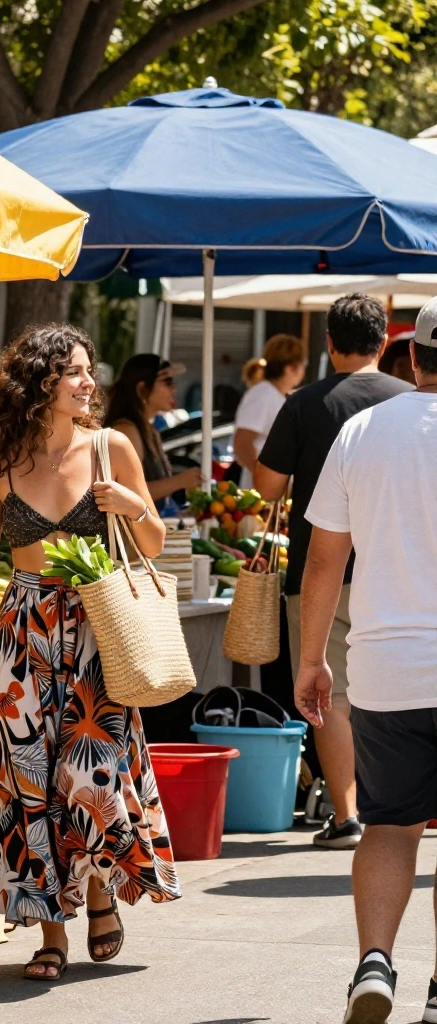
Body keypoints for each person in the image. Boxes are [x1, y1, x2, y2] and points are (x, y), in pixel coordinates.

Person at [0, 324, 180, 981]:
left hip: (96, 628)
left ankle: (101, 892)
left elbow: (154, 545)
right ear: (40, 380)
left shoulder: (111, 447)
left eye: (88, 370)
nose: (87, 382)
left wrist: (133, 506)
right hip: (22, 635)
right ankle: (50, 931)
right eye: (74, 370)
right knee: (28, 783)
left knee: (90, 774)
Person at [295, 296, 437, 1024]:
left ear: (414, 356)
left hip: (386, 666)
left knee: (389, 824)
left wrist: (311, 660)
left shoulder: (363, 431)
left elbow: (323, 564)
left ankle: (375, 962)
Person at [254, 295, 412, 851]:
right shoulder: (409, 402)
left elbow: (267, 489)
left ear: (328, 344)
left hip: (318, 568)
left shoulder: (303, 403)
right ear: (386, 344)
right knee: (399, 686)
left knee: (329, 692)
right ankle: (401, 804)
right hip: (394, 568)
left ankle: (347, 813)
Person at [104, 354, 201, 511]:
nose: (174, 389)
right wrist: (180, 481)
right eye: (167, 382)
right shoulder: (126, 431)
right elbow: (127, 492)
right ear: (142, 389)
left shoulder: (149, 430)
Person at [233, 334, 306, 488]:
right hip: (261, 496)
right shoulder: (263, 394)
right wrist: (263, 479)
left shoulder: (275, 395)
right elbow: (242, 444)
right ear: (291, 367)